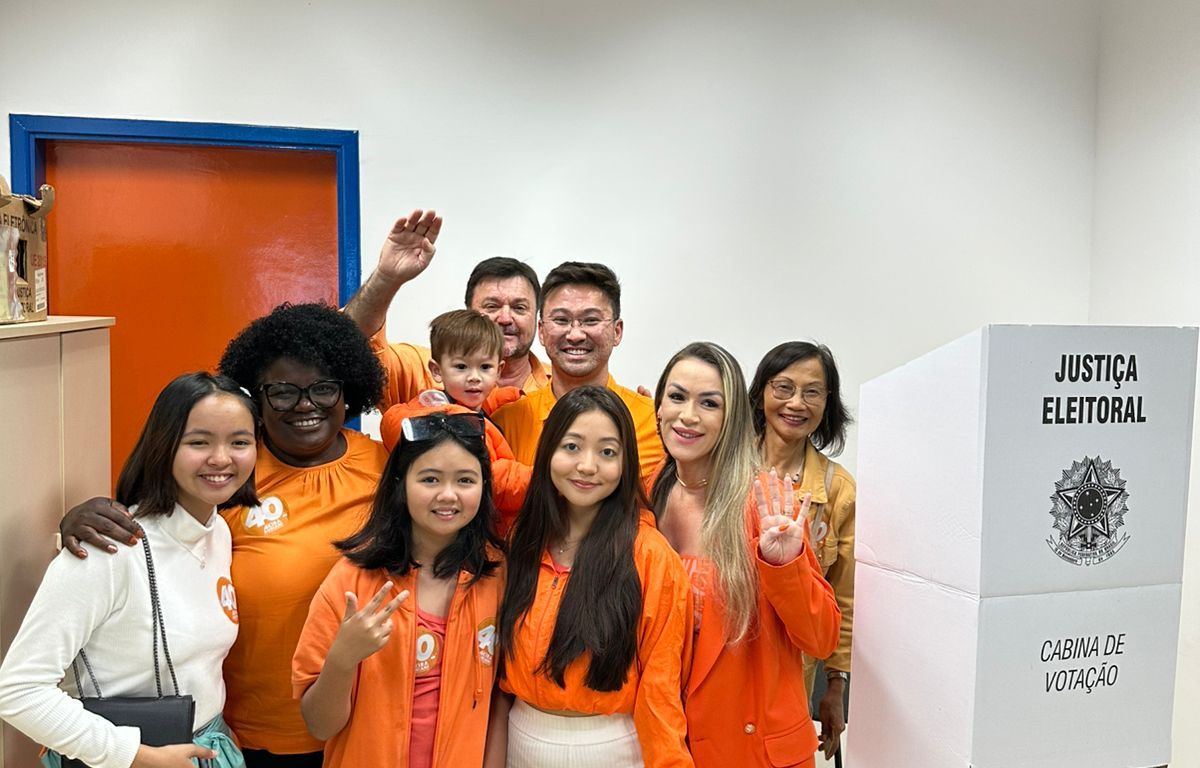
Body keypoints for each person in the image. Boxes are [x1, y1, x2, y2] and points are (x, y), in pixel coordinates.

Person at [58, 303, 389, 767]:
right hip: (243, 733)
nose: (305, 404)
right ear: (258, 397)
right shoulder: (230, 471)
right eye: (283, 392)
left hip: (364, 724)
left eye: (323, 388)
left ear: (348, 391)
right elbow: (152, 525)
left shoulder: (387, 467)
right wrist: (84, 518)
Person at [0, 372, 258, 768]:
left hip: (208, 749)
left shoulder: (218, 532)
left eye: (239, 442)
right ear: (164, 445)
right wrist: (137, 756)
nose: (221, 458)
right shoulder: (109, 548)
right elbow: (18, 691)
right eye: (198, 442)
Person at [648, 342, 841, 768]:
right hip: (671, 743)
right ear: (658, 406)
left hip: (752, 752)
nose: (688, 416)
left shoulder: (765, 502)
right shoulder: (644, 495)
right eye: (677, 396)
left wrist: (784, 566)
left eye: (709, 403)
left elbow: (821, 638)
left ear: (732, 417)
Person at [292, 411, 506, 767]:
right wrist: (343, 659)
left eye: (466, 480)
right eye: (430, 479)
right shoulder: (352, 580)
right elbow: (319, 725)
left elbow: (501, 698)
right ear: (400, 484)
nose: (448, 495)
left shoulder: (496, 574)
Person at [498, 386, 693, 768]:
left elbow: (661, 690)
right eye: (572, 447)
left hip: (611, 747)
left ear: (626, 463)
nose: (587, 466)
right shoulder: (520, 540)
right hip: (520, 738)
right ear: (547, 451)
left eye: (607, 452)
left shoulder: (649, 556)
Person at [748, 342, 856, 761]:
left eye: (812, 392)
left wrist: (835, 686)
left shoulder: (838, 491)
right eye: (783, 387)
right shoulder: (720, 464)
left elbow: (843, 596)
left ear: (827, 403)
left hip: (791, 677)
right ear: (761, 392)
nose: (796, 403)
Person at [344, 209, 551, 405]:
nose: (505, 318)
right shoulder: (425, 369)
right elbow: (351, 344)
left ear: (537, 318)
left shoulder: (558, 386)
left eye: (519, 308)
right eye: (491, 306)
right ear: (468, 313)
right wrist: (386, 277)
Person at [492, 262, 664, 480]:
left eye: (590, 320)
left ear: (617, 331)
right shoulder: (507, 422)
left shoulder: (653, 425)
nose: (575, 335)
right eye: (561, 320)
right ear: (542, 331)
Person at [381, 309, 531, 533]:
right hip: (459, 530)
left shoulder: (463, 405)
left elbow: (476, 408)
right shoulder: (442, 416)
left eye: (485, 367)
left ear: (499, 370)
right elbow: (495, 480)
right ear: (437, 370)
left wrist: (504, 396)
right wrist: (543, 478)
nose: (474, 377)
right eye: (461, 367)